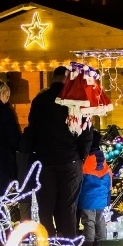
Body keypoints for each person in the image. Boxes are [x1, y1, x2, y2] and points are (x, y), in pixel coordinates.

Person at [26, 66, 91, 237]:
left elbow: (33, 129)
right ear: (67, 79)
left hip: (45, 161)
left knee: (46, 208)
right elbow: (86, 131)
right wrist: (81, 156)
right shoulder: (74, 100)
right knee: (68, 208)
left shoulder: (39, 101)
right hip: (70, 161)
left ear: (53, 79)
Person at [78, 130, 111, 246]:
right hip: (101, 199)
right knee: (100, 220)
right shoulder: (104, 163)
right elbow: (109, 182)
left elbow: (80, 182)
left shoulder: (85, 162)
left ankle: (89, 244)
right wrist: (107, 198)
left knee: (89, 221)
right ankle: (103, 243)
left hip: (87, 199)